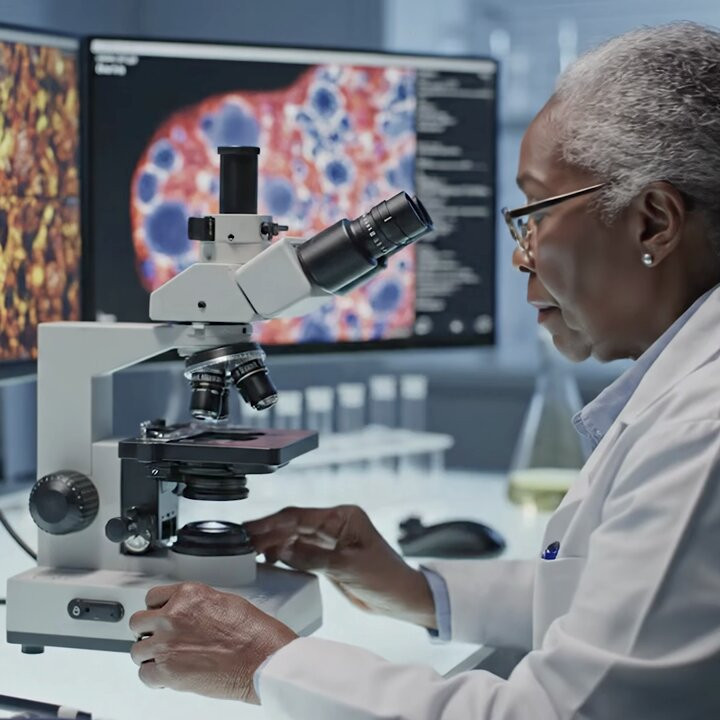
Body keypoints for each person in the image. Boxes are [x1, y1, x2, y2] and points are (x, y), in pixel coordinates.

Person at [128, 22, 720, 719]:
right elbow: (623, 600)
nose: (520, 255)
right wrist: (415, 590)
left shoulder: (699, 429)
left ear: (653, 223)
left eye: (533, 216)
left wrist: (262, 663)